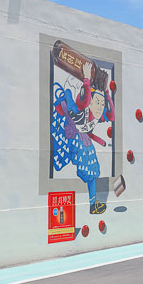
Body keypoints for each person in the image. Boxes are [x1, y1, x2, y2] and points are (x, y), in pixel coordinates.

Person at [51, 60, 114, 214]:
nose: (100, 107)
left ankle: (93, 204)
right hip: (71, 134)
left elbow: (111, 115)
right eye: (97, 102)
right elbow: (85, 101)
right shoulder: (84, 107)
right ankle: (93, 204)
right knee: (89, 168)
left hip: (82, 139)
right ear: (90, 101)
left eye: (102, 104)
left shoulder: (97, 115)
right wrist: (86, 79)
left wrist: (107, 95)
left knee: (92, 170)